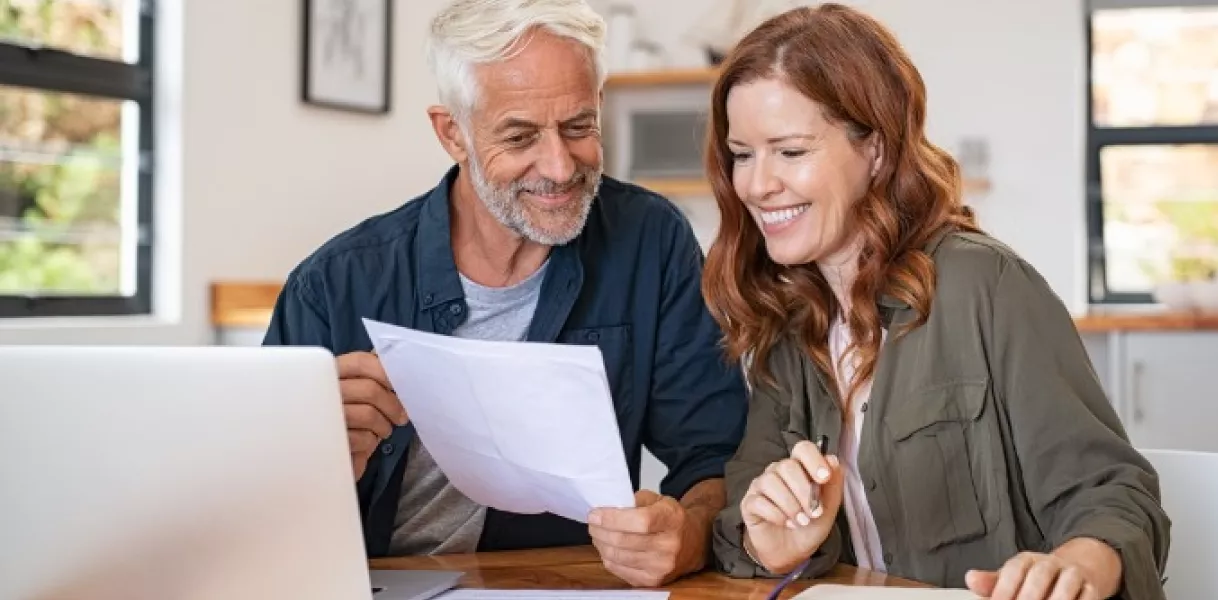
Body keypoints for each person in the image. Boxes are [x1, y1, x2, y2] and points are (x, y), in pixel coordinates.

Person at [263, 0, 747, 588]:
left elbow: (716, 456)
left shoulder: (651, 242)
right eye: (519, 136)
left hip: (551, 585)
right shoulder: (333, 284)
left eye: (578, 127)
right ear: (452, 133)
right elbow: (248, 512)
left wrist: (688, 534)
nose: (560, 165)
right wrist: (314, 458)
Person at [701, 5, 1170, 600]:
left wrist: (1079, 562)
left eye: (790, 152)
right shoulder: (789, 316)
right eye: (742, 154)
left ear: (874, 149)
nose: (756, 184)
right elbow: (740, 516)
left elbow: (1113, 494)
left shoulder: (987, 285)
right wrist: (769, 541)